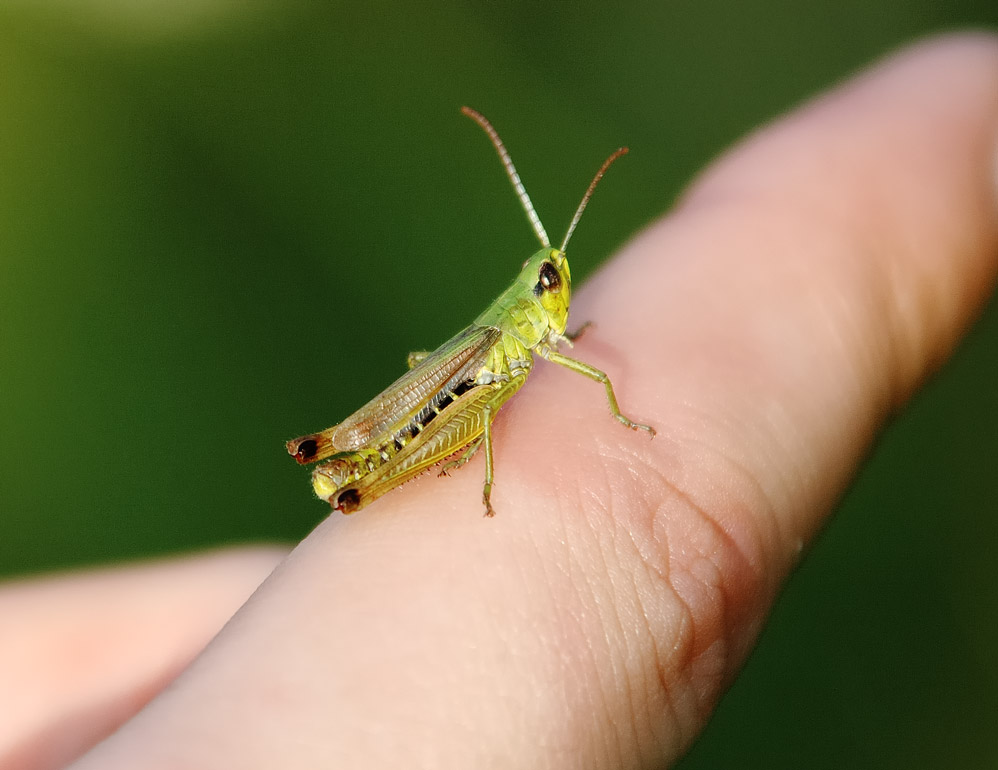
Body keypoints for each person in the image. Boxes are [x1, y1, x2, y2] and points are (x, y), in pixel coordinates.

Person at [3, 33, 997, 770]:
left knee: (492, 388)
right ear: (536, 294)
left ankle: (371, 457)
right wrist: (476, 464)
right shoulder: (513, 335)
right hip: (448, 390)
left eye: (556, 290)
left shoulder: (546, 330)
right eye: (549, 290)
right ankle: (354, 460)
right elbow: (506, 395)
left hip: (468, 378)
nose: (556, 299)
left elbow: (576, 362)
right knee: (465, 398)